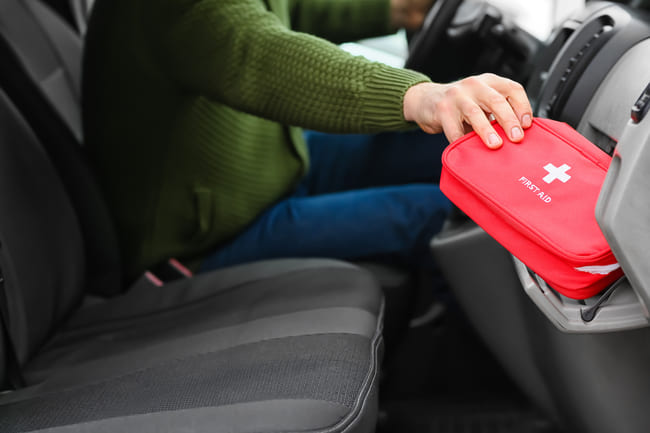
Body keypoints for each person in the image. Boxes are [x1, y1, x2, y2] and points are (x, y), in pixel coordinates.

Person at [83, 0, 533, 281]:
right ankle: (463, 385)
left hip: (270, 167)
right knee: (447, 214)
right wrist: (418, 96)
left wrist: (398, 7)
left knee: (448, 152)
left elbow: (288, 7)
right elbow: (263, 59)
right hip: (201, 244)